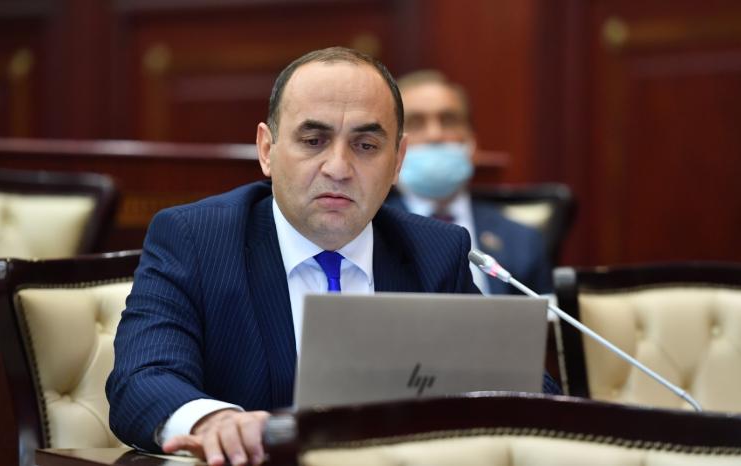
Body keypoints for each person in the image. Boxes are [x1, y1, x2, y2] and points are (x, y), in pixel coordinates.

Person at [106, 47, 482, 466]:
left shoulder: (436, 252)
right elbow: (142, 379)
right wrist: (213, 422)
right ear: (267, 149)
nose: (338, 168)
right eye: (313, 141)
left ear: (397, 161)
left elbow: (503, 388)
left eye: (366, 145)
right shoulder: (196, 240)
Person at [387, 70, 552, 295]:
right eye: (416, 122)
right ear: (394, 146)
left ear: (473, 143)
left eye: (449, 120)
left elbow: (540, 316)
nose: (435, 135)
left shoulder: (522, 240)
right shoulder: (369, 231)